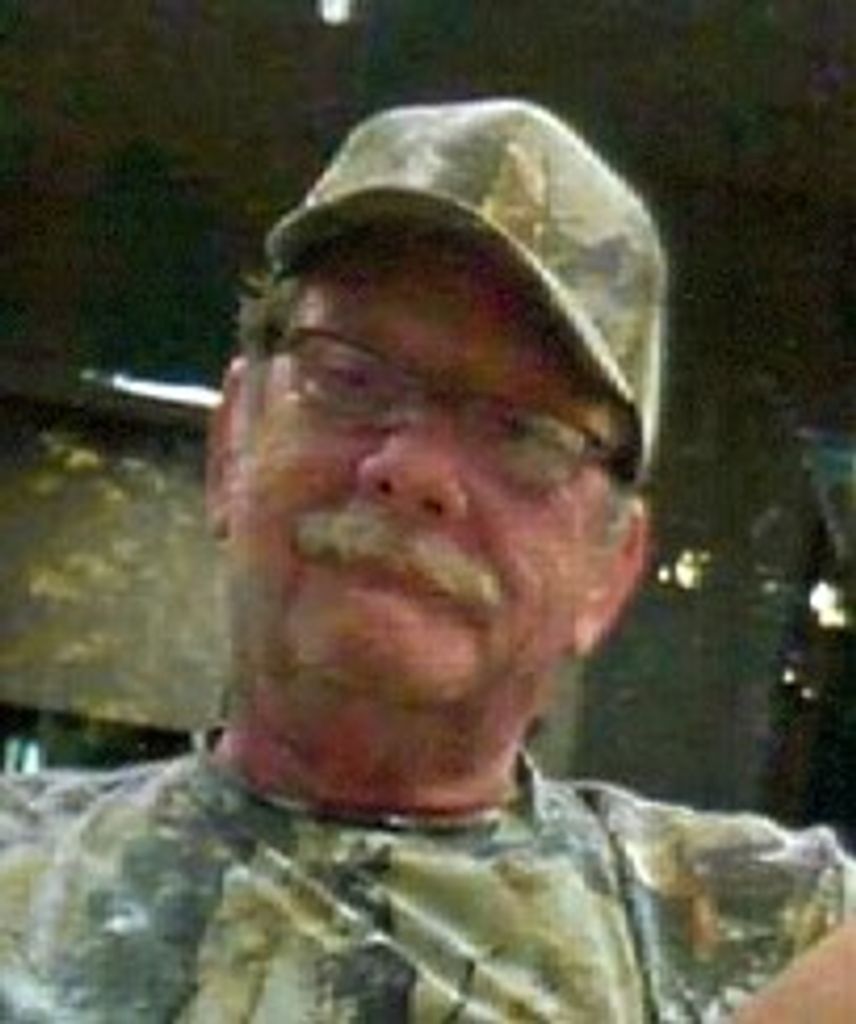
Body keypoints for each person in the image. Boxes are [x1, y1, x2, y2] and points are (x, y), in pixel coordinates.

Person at [0, 99, 853, 1022]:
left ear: (611, 572)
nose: (412, 472)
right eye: (350, 378)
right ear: (231, 444)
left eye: (524, 433)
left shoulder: (775, 934)